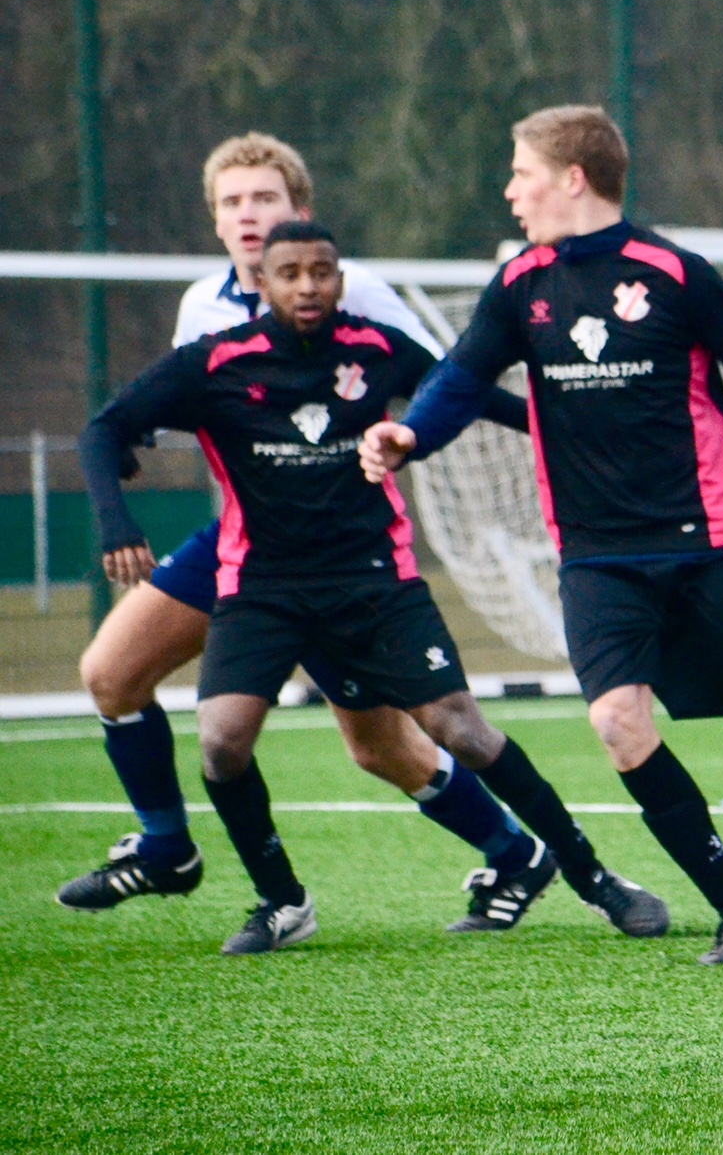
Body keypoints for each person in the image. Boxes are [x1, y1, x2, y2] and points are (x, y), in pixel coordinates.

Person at [59, 133, 659, 942]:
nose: (249, 217)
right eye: (233, 203)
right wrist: (117, 500)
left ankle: (538, 859)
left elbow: (453, 385)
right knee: (126, 681)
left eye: (264, 201)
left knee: (390, 745)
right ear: (222, 230)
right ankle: (181, 851)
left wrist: (562, 428)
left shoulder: (366, 312)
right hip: (250, 553)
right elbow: (127, 421)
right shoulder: (205, 324)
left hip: (362, 559)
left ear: (305, 219)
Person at [363, 106, 723, 964]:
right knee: (619, 722)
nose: (511, 191)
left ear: (572, 177)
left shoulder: (673, 272)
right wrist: (411, 436)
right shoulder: (521, 287)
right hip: (595, 553)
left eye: (522, 173)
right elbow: (461, 376)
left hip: (709, 541)